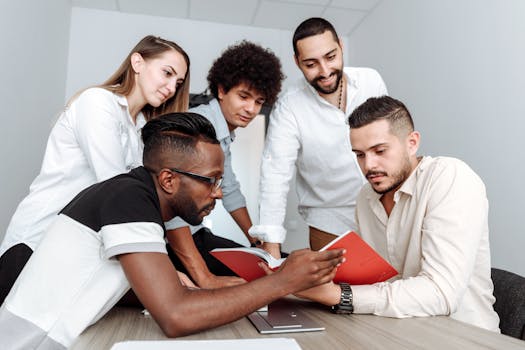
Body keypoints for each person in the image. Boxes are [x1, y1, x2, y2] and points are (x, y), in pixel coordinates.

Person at [0, 113, 345, 349]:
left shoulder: (134, 196)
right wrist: (281, 281)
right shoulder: (128, 198)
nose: (219, 192)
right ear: (168, 179)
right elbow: (175, 316)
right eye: (211, 181)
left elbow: (151, 294)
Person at [0, 35, 191, 304]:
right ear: (137, 62)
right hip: (34, 246)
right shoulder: (98, 103)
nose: (171, 87)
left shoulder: (139, 130)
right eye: (167, 73)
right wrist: (164, 270)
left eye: (178, 83)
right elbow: (117, 191)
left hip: (72, 254)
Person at [292, 96, 500, 331]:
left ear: (412, 143)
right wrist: (309, 277)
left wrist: (341, 296)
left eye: (379, 151)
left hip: (464, 337)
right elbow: (371, 278)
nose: (369, 165)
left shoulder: (450, 177)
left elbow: (441, 293)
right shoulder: (366, 196)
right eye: (359, 155)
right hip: (398, 330)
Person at [249, 17, 388, 258]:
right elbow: (275, 175)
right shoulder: (289, 107)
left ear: (341, 47)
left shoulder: (370, 81)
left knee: (391, 288)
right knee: (337, 293)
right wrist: (271, 246)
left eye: (331, 57)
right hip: (329, 220)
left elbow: (390, 141)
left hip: (383, 208)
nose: (324, 71)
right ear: (297, 62)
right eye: (311, 64)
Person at [165, 41, 285, 288]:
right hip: (174, 242)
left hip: (197, 234)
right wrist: (202, 276)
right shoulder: (199, 128)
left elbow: (229, 189)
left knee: (268, 265)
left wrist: (256, 242)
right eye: (243, 96)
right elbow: (171, 204)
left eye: (259, 101)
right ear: (221, 90)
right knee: (261, 277)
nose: (251, 109)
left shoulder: (222, 134)